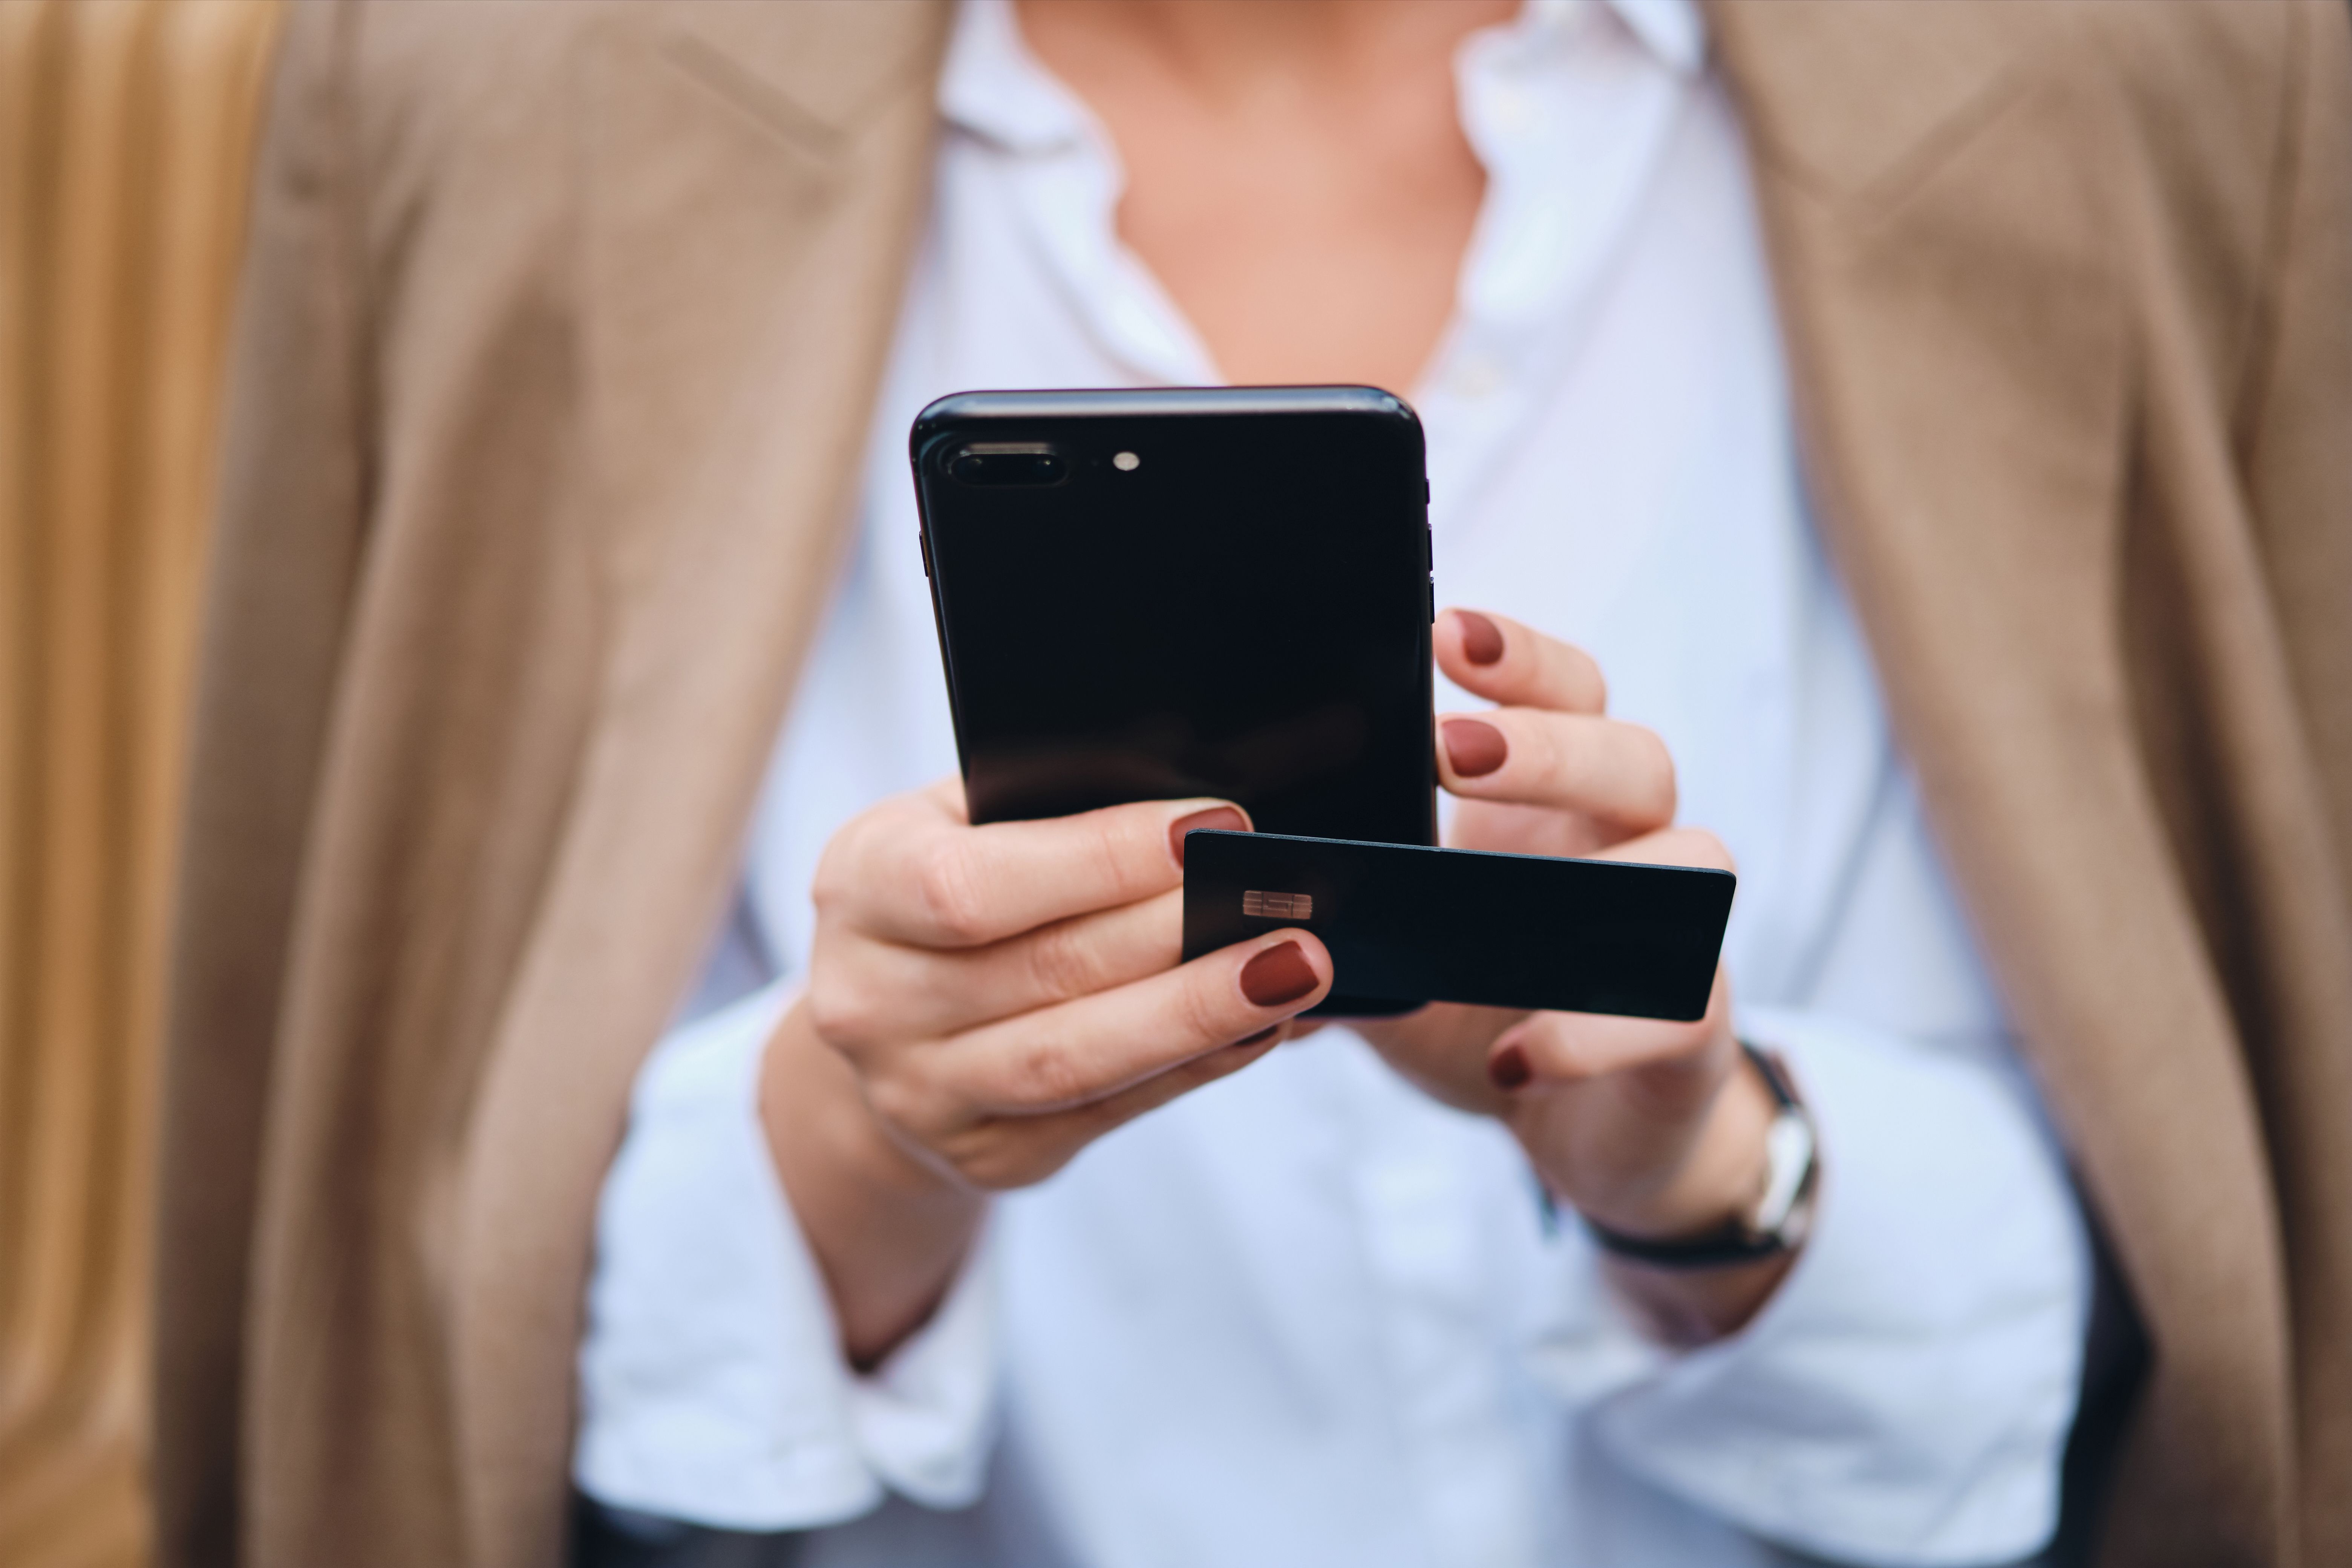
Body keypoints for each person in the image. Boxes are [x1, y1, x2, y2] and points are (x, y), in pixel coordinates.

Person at [154, 3, 2352, 1568]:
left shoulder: (2166, 78)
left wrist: (1706, 1169)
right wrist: (862, 1133)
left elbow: (2234, 1258)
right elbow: (376, 1282)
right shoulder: (491, 90)